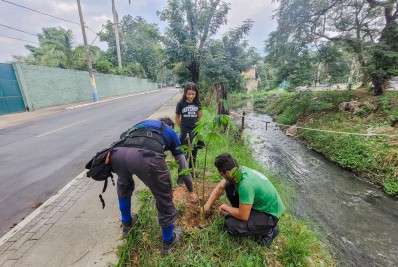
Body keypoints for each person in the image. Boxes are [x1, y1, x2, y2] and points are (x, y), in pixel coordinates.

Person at [110, 117, 197, 255]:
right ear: (170, 127)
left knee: (124, 184)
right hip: (145, 157)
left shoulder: (142, 124)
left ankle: (127, 224)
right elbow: (183, 167)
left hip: (118, 153)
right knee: (163, 195)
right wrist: (191, 190)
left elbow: (125, 139)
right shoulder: (171, 133)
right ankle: (168, 241)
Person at [204, 153, 285, 247]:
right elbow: (220, 187)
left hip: (270, 214)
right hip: (260, 205)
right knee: (228, 185)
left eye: (222, 174)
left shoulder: (245, 186)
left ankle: (269, 230)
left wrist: (224, 206)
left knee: (230, 225)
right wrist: (207, 206)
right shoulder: (239, 171)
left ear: (228, 173)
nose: (221, 177)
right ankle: (243, 212)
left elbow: (243, 216)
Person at [175, 82, 202, 183]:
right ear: (185, 93)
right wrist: (183, 127)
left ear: (196, 94)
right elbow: (177, 117)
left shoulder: (198, 103)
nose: (191, 96)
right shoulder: (181, 104)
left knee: (194, 153)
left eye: (193, 94)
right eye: (188, 94)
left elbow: (199, 116)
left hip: (194, 132)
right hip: (184, 132)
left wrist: (195, 126)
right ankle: (181, 176)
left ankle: (192, 172)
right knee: (183, 154)